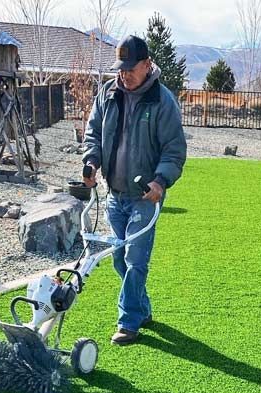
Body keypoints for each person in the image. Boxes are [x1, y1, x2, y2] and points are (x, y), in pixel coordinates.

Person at [81, 35, 187, 345]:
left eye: (130, 68)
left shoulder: (162, 101)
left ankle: (128, 322)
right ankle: (142, 309)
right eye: (120, 68)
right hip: (115, 194)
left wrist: (160, 181)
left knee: (135, 259)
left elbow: (174, 150)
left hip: (145, 196)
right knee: (118, 260)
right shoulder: (108, 94)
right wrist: (91, 163)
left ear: (146, 64)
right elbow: (93, 134)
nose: (124, 74)